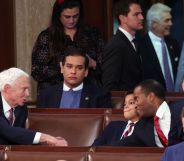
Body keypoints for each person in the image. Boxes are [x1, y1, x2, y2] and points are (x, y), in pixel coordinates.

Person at [31, 0, 104, 94]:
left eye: (75, 16)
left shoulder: (92, 34)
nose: (72, 20)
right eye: (67, 17)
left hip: (88, 93)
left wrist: (93, 64)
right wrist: (64, 66)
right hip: (55, 94)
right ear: (58, 15)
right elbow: (36, 72)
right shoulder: (47, 37)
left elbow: (107, 68)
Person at [0, 67, 68, 145]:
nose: (28, 94)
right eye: (24, 89)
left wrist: (51, 140)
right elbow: (7, 131)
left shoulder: (21, 107)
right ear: (7, 89)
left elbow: (19, 137)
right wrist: (46, 138)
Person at [37, 47, 112, 108]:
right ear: (62, 68)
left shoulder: (100, 95)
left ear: (86, 72)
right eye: (69, 66)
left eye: (79, 68)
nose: (73, 71)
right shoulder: (46, 95)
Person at [101, 0, 144, 92]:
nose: (141, 17)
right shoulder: (116, 45)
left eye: (141, 13)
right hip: (124, 103)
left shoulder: (136, 41)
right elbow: (109, 84)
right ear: (123, 18)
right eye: (136, 14)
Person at [140, 3, 180, 91]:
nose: (171, 23)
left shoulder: (174, 44)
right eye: (167, 20)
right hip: (152, 100)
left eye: (170, 20)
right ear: (154, 24)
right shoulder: (141, 46)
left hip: (176, 99)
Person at [134, 79, 183, 147]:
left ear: (151, 97)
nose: (135, 104)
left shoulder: (180, 108)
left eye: (137, 99)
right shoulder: (140, 127)